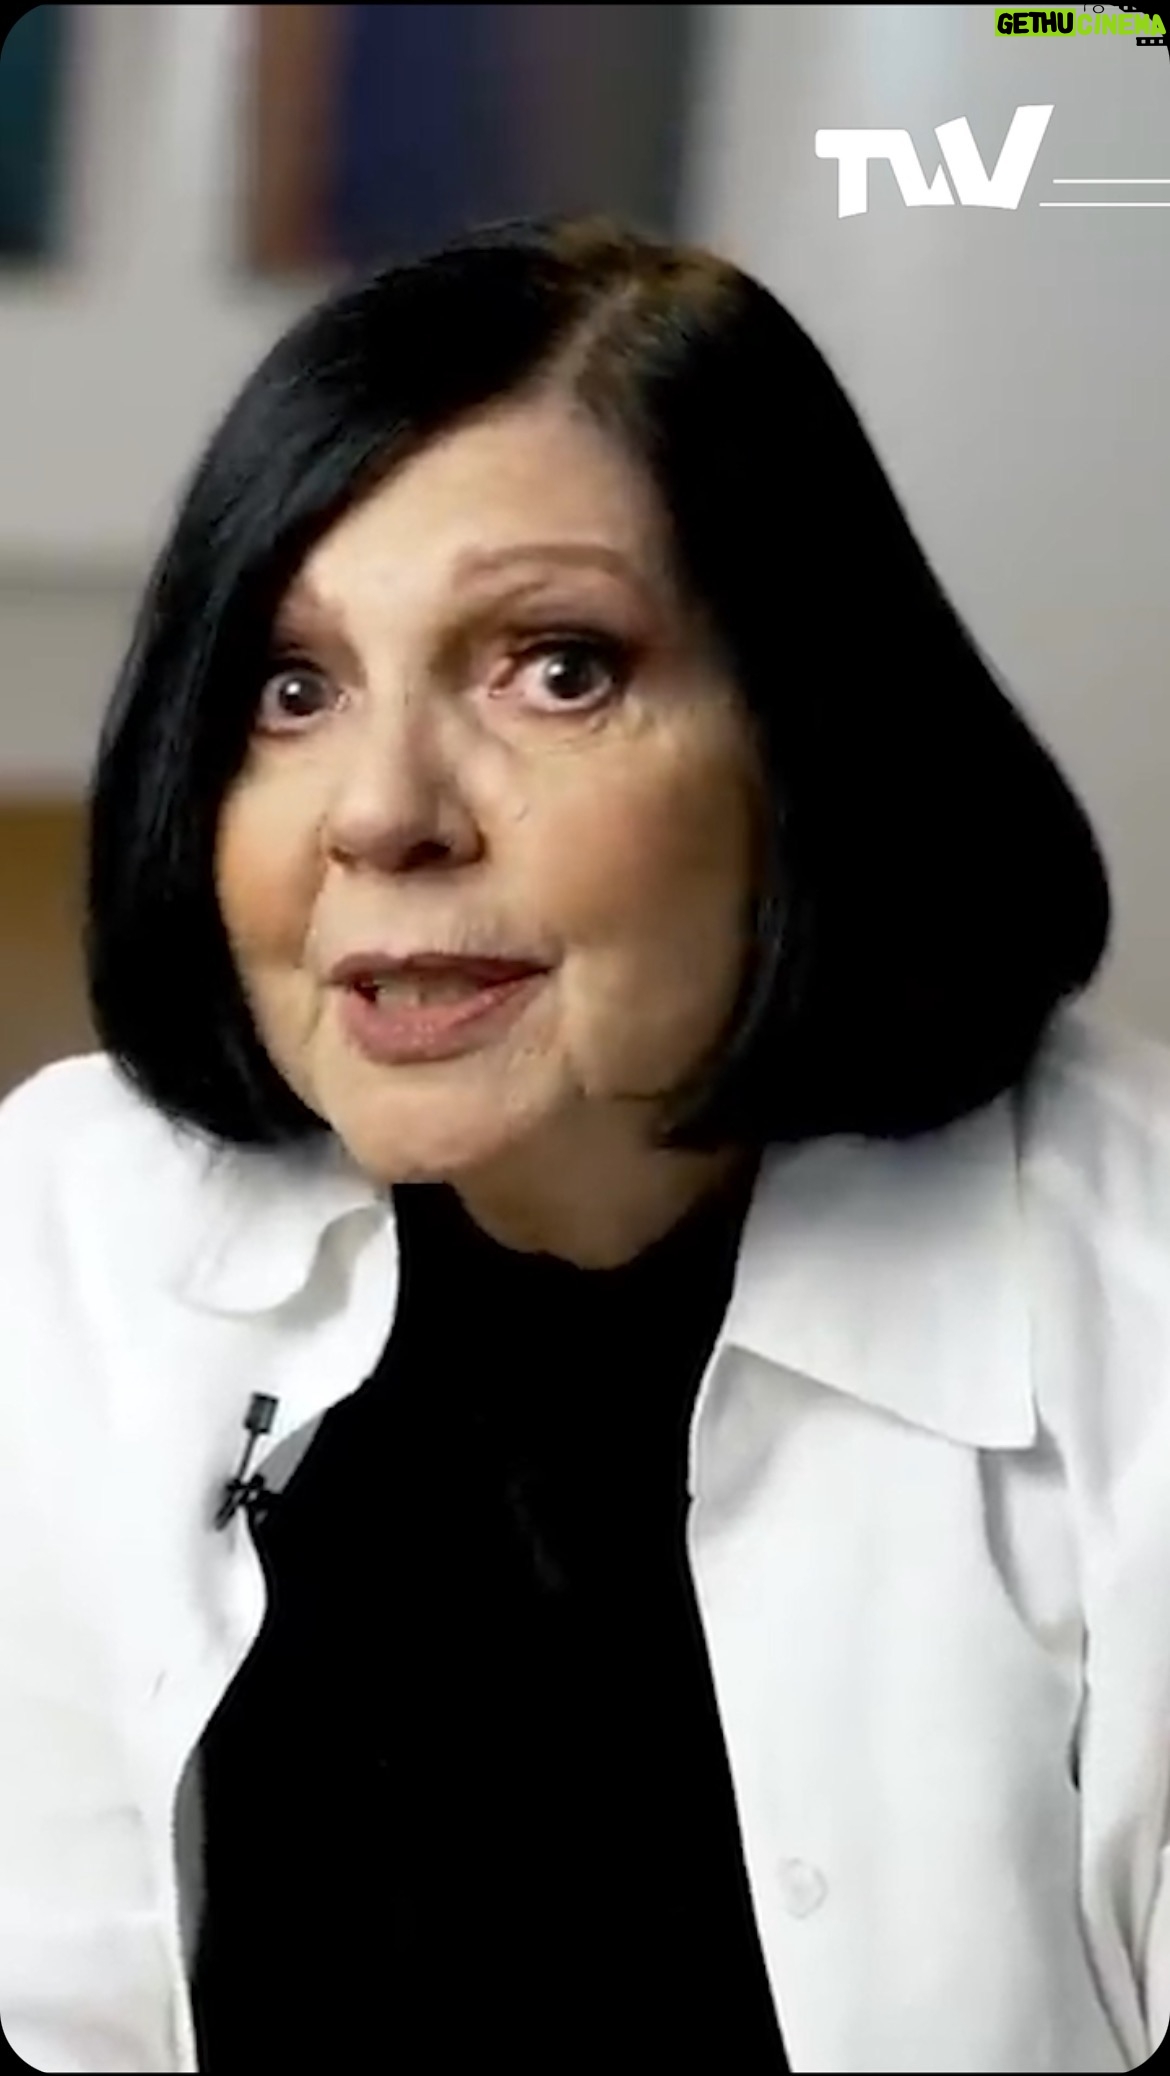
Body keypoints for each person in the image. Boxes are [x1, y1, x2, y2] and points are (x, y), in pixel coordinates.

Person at [0, 215, 1167, 2076]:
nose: (381, 812)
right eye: (291, 690)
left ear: (807, 732)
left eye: (554, 667)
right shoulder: (55, 1238)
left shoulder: (1137, 1300)